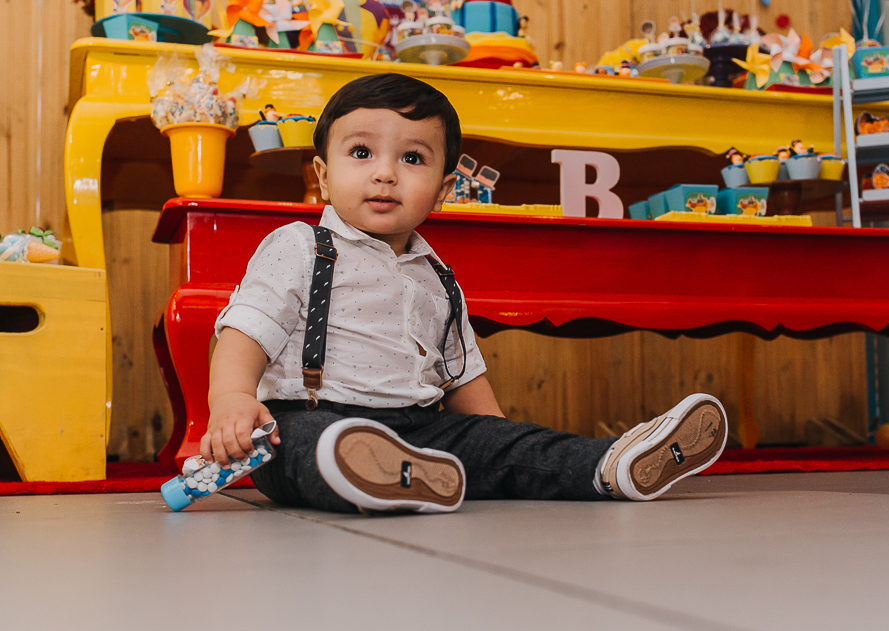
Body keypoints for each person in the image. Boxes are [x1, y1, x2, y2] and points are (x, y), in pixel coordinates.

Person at [201, 73, 727, 514]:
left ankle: (611, 465)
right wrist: (231, 400)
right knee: (300, 447)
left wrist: (496, 441)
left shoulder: (438, 276)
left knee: (508, 444)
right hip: (310, 415)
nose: (385, 173)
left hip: (421, 427)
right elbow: (248, 328)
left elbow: (463, 375)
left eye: (412, 159)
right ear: (322, 172)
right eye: (361, 152)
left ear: (445, 188)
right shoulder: (301, 246)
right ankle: (372, 471)